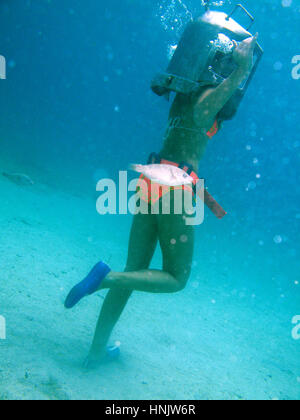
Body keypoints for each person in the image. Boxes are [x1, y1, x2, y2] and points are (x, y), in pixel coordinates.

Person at [65, 34, 258, 366]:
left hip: (151, 180)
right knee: (175, 278)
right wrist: (241, 66)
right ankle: (104, 279)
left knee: (135, 269)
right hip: (176, 189)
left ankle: (96, 351)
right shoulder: (206, 101)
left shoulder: (182, 96)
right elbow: (231, 87)